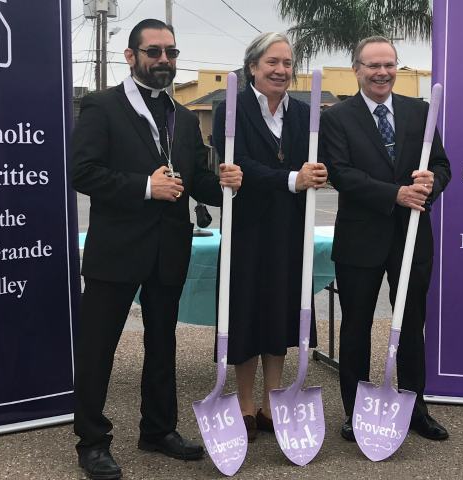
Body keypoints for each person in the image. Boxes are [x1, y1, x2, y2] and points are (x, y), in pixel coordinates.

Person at [70, 19, 243, 480]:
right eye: (153, 51)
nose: (164, 60)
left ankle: (158, 430)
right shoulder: (102, 106)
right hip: (117, 249)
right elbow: (81, 172)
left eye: (170, 52)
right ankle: (91, 441)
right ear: (132, 56)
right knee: (97, 348)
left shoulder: (183, 117)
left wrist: (225, 184)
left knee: (161, 344)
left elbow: (194, 180)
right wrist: (145, 188)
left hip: (169, 249)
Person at [321, 36, 452, 442]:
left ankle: (415, 409)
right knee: (356, 325)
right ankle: (354, 411)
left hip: (412, 237)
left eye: (389, 65)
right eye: (373, 65)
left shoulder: (421, 111)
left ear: (397, 68)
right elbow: (340, 173)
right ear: (357, 69)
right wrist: (394, 194)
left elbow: (442, 165)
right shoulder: (337, 117)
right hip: (361, 239)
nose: (382, 72)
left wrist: (431, 184)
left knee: (412, 323)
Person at [211, 32, 327, 442]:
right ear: (253, 67)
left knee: (280, 312)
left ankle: (271, 402)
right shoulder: (230, 108)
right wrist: (294, 178)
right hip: (247, 228)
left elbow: (318, 161)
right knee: (245, 313)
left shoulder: (306, 115)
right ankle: (244, 404)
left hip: (289, 229)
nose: (281, 70)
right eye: (272, 62)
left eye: (287, 63)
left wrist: (317, 173)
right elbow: (237, 162)